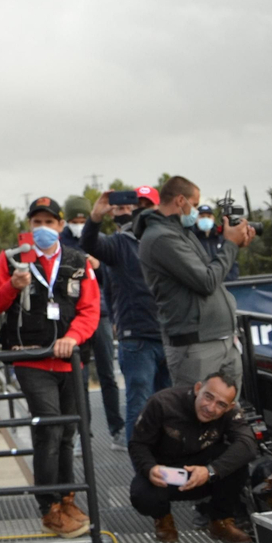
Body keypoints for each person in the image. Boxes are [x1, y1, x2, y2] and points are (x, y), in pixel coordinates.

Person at [0, 197, 100, 538]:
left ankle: (67, 499)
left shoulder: (79, 261)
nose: (43, 229)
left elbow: (91, 309)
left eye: (50, 222)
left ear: (61, 227)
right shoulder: (11, 258)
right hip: (29, 357)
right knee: (49, 429)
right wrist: (12, 286)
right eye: (37, 222)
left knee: (67, 433)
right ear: (29, 226)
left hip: (69, 359)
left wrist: (74, 337)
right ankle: (48, 507)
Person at [137, 176, 253, 387]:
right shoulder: (161, 237)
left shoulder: (180, 232)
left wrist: (235, 246)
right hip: (195, 344)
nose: (197, 212)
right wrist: (229, 245)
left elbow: (210, 272)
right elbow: (206, 281)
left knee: (227, 414)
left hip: (219, 338)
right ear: (181, 200)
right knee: (196, 412)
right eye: (196, 204)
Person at [126, 370, 256, 543]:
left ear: (230, 407)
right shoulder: (162, 403)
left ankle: (221, 520)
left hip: (204, 474)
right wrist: (150, 468)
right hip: (166, 475)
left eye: (220, 404)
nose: (211, 408)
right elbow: (137, 444)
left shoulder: (230, 413)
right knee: (141, 495)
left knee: (237, 460)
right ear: (197, 389)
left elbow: (248, 444)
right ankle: (163, 518)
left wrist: (211, 471)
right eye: (208, 397)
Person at [85, 188, 171, 443]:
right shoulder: (120, 243)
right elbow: (90, 244)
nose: (138, 211)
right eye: (137, 205)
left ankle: (167, 462)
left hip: (170, 335)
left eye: (146, 205)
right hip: (137, 338)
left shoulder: (167, 241)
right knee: (140, 405)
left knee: (170, 406)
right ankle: (143, 469)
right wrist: (95, 217)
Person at [63, 194, 124, 450]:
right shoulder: (60, 243)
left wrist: (99, 266)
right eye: (75, 219)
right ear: (67, 220)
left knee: (107, 374)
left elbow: (111, 274)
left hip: (100, 314)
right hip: (74, 318)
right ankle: (82, 435)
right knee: (80, 377)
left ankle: (117, 430)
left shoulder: (97, 238)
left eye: (82, 218)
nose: (79, 222)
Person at [195, 203, 237, 281]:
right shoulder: (192, 239)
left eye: (208, 216)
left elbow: (231, 261)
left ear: (213, 218)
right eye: (202, 216)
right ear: (196, 219)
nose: (205, 219)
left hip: (227, 284)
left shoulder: (222, 238)